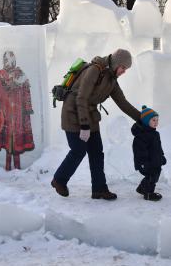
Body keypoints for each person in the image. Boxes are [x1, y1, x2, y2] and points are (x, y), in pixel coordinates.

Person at [51, 49, 141, 200]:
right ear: (117, 63)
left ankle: (99, 189)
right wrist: (84, 126)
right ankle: (59, 180)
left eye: (126, 69)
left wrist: (141, 118)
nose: (124, 71)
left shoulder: (111, 78)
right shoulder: (94, 70)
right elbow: (81, 98)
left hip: (89, 114)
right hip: (73, 113)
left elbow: (122, 102)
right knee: (78, 150)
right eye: (123, 68)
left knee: (97, 152)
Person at [0, 51, 35, 171]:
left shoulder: (21, 75)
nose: (6, 62)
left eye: (8, 59)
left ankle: (17, 166)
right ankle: (8, 166)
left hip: (18, 113)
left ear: (13, 60)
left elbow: (26, 93)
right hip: (5, 113)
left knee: (16, 141)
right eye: (5, 59)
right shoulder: (0, 75)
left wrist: (27, 108)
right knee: (8, 139)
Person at [131, 105, 166, 201]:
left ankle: (141, 188)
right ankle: (149, 193)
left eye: (157, 120)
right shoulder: (141, 136)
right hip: (146, 163)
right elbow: (139, 151)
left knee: (155, 175)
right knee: (151, 177)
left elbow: (158, 148)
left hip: (155, 161)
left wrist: (161, 156)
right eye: (153, 120)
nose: (156, 122)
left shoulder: (155, 134)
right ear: (146, 121)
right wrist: (143, 163)